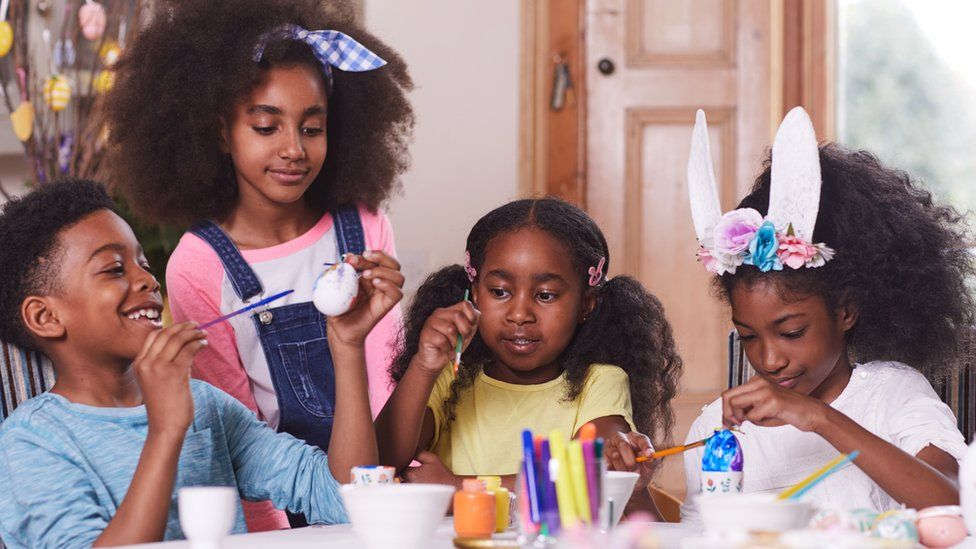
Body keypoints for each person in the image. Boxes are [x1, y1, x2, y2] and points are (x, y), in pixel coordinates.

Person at [101, 0, 413, 529]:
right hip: (282, 511)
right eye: (267, 127)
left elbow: (388, 385)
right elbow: (238, 437)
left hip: (383, 483)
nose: (293, 149)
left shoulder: (365, 228)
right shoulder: (199, 265)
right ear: (222, 133)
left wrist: (385, 495)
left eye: (312, 128)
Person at [0, 179, 404, 547]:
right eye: (114, 269)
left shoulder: (206, 407)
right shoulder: (31, 442)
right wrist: (165, 430)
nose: (147, 280)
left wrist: (347, 346)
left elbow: (347, 497)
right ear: (45, 317)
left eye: (143, 262)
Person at [680, 108, 972, 524]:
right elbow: (697, 536)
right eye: (747, 336)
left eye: (792, 332)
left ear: (845, 310)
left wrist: (818, 417)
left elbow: (953, 503)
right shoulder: (719, 430)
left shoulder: (891, 395)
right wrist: (635, 494)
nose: (769, 359)